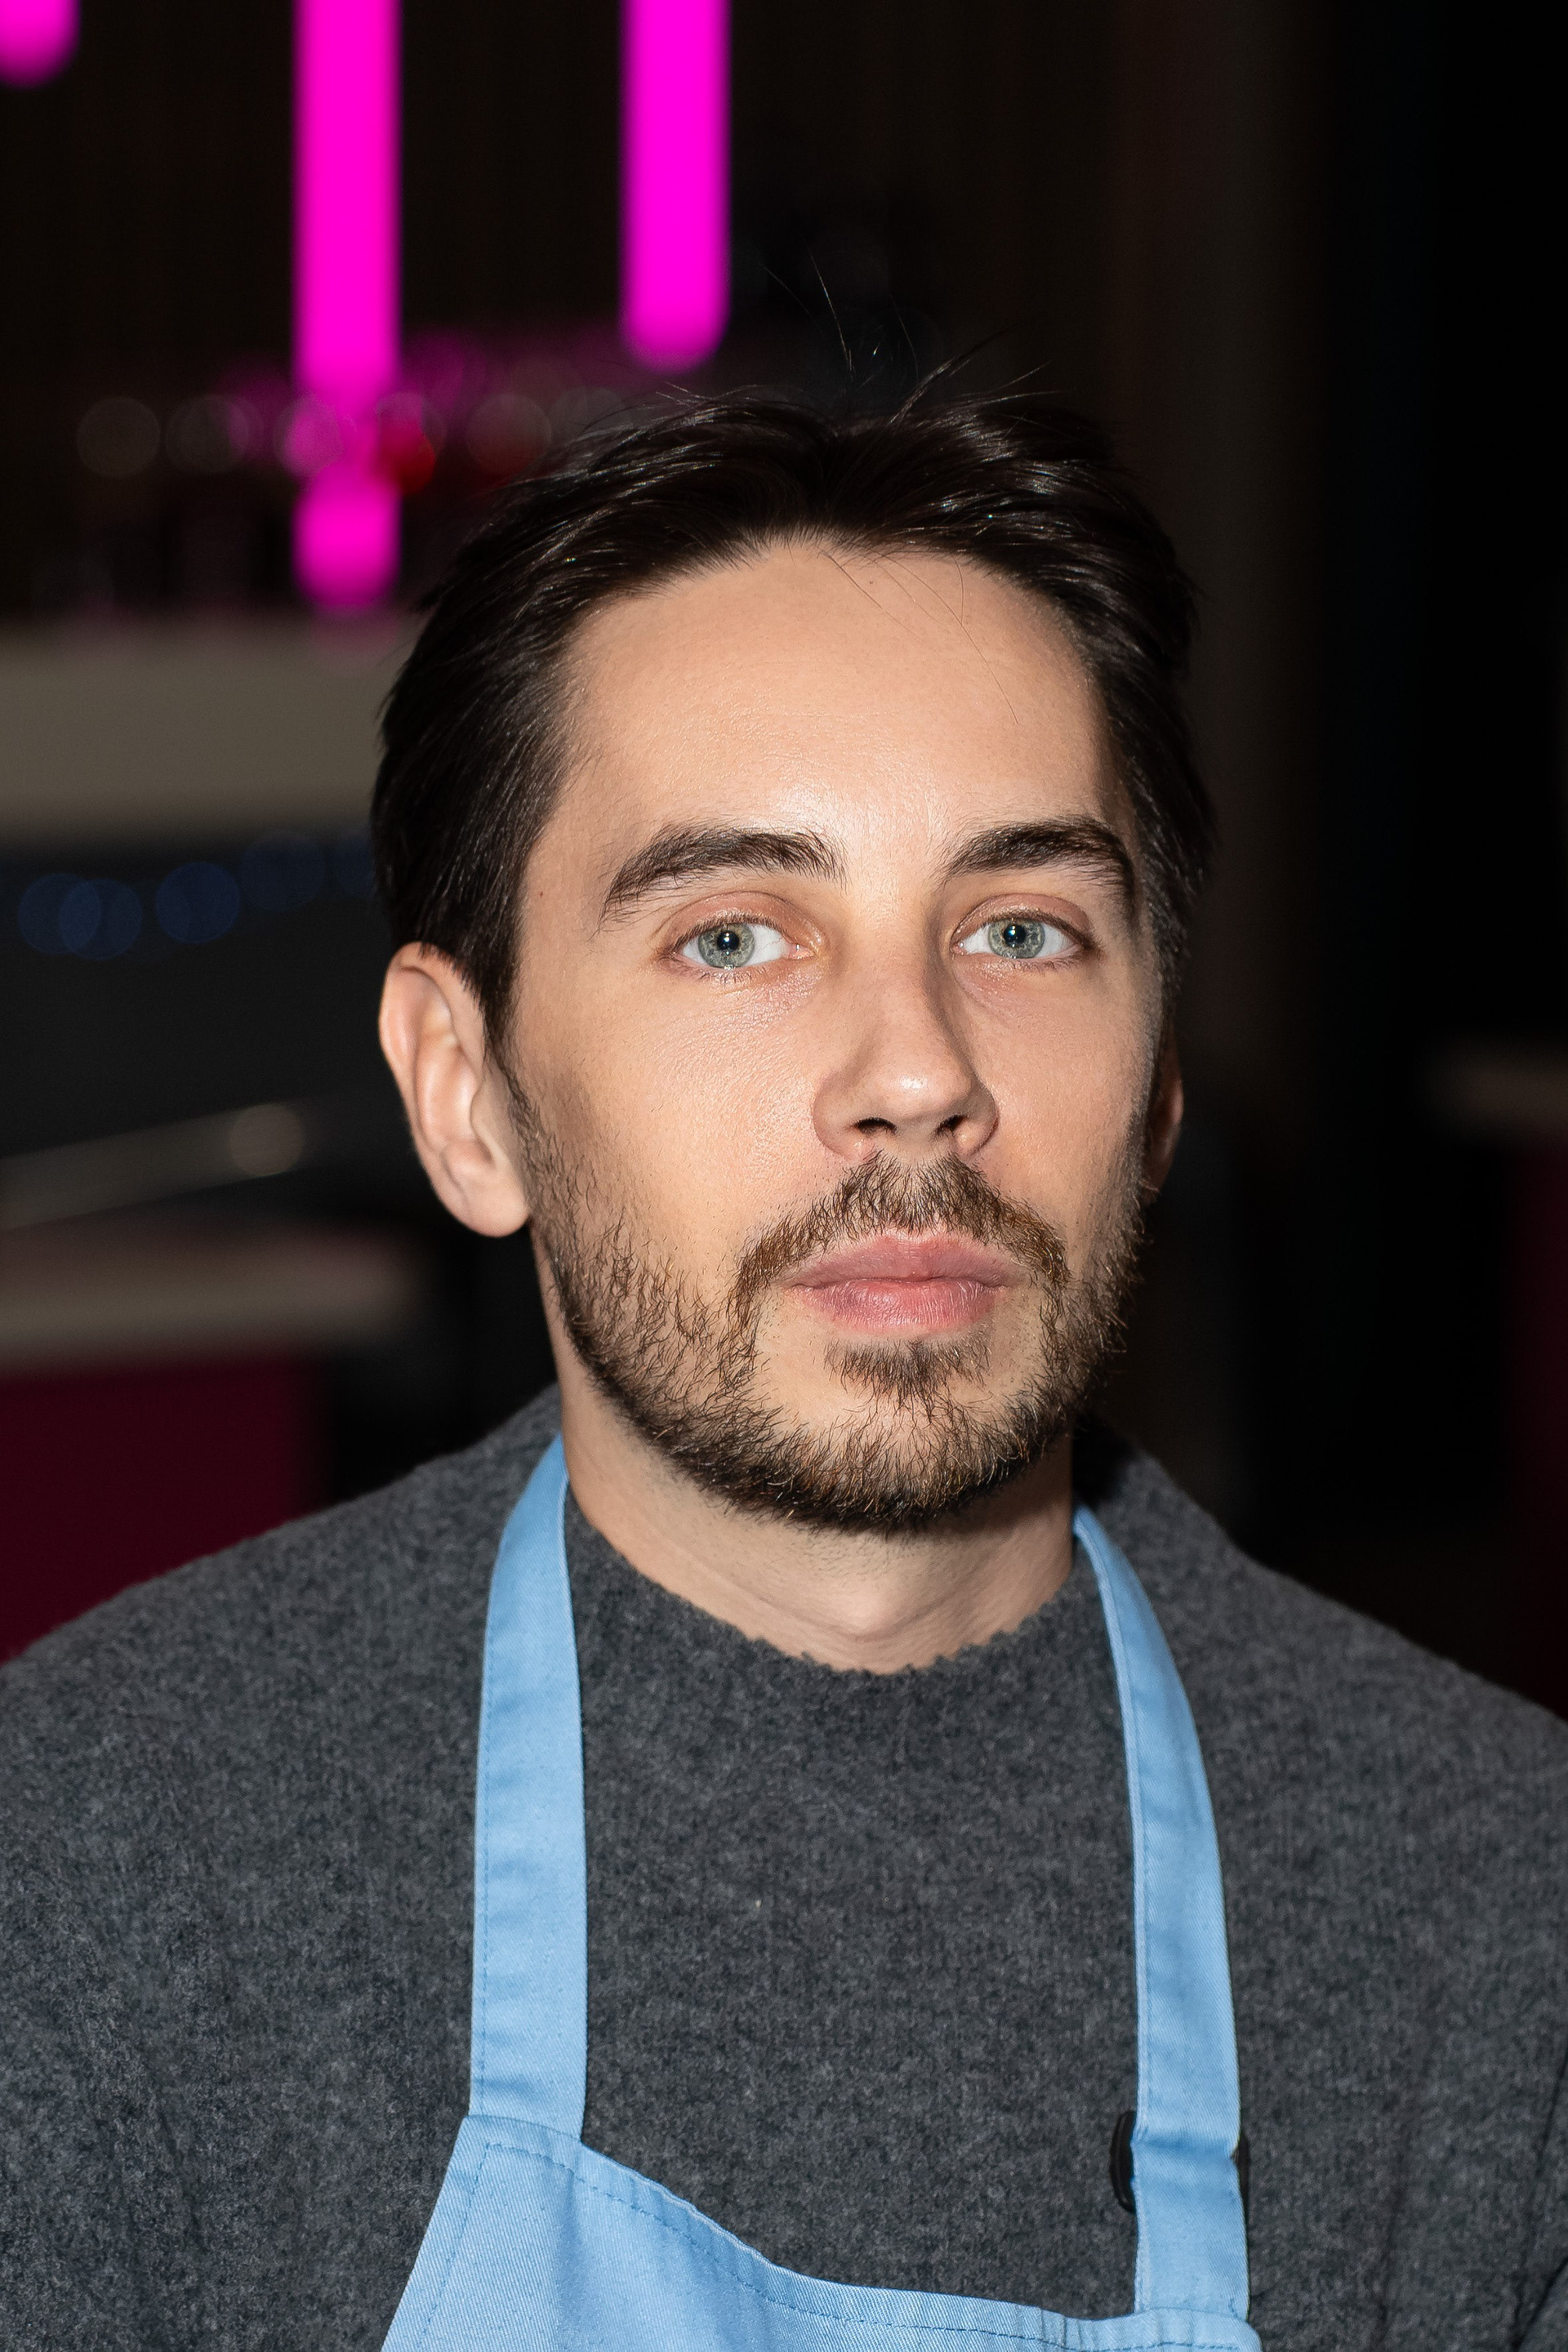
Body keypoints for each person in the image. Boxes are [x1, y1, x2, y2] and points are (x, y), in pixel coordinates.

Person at [3, 392, 1567, 2352]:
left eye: (1022, 928)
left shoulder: (1502, 1919)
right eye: (737, 937)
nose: (916, 1069)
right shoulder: (97, 1860)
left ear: (1161, 1088)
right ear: (467, 1095)